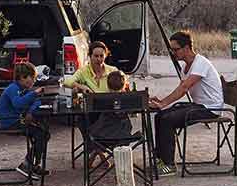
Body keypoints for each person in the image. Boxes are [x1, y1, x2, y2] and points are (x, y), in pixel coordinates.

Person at [150, 31, 223, 176]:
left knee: (167, 120)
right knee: (160, 116)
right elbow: (180, 88)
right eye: (172, 50)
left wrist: (163, 103)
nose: (173, 53)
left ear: (187, 48)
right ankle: (161, 160)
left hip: (210, 109)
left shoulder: (200, 63)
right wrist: (161, 102)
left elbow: (184, 88)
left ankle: (169, 165)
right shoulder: (186, 67)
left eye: (176, 49)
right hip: (199, 105)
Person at [62, 41, 128, 166]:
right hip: (92, 112)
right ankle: (100, 152)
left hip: (109, 112)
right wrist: (80, 86)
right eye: (95, 56)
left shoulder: (112, 70)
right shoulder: (84, 71)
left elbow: (124, 84)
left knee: (106, 121)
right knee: (82, 119)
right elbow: (67, 82)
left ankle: (95, 150)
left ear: (105, 56)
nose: (99, 59)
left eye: (101, 56)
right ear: (90, 56)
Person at [0, 62, 50, 180]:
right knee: (40, 134)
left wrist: (30, 111)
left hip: (18, 119)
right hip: (9, 122)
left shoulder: (23, 89)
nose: (34, 81)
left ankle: (33, 164)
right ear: (22, 77)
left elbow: (37, 102)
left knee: (44, 132)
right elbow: (18, 103)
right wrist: (34, 94)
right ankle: (27, 164)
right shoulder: (13, 88)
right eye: (32, 78)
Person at [87, 70, 134, 169]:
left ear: (107, 86)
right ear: (125, 85)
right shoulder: (129, 100)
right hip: (124, 136)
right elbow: (134, 113)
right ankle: (121, 165)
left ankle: (98, 153)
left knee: (90, 131)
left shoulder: (102, 99)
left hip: (103, 135)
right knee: (96, 131)